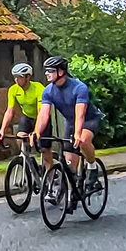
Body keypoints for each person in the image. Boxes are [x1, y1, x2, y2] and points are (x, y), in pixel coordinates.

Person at [30, 56, 104, 202]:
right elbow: (44, 114)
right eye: (46, 71)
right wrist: (37, 132)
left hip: (90, 120)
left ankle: (92, 166)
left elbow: (80, 113)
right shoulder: (48, 91)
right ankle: (73, 191)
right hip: (71, 122)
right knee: (69, 163)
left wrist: (77, 133)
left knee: (82, 141)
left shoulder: (79, 87)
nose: (47, 73)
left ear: (61, 72)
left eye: (50, 70)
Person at [0, 63, 52, 168]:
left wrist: (36, 131)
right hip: (27, 117)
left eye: (20, 77)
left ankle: (50, 176)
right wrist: (2, 130)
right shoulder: (13, 89)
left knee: (44, 150)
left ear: (28, 77)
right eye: (15, 77)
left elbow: (41, 111)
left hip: (41, 118)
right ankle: (29, 162)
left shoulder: (38, 88)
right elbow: (10, 111)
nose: (16, 80)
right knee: (20, 138)